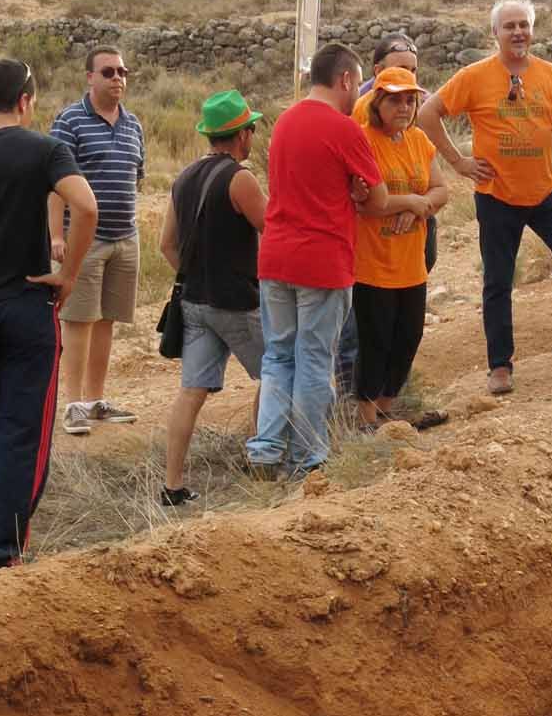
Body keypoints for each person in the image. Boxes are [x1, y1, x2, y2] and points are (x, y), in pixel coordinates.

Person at [417, 0, 552, 396]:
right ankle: (500, 366)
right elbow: (428, 113)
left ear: (533, 31)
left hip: (545, 193)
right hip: (496, 194)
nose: (517, 32)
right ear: (494, 33)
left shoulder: (551, 75)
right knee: (498, 280)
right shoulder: (474, 75)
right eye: (509, 26)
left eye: (524, 25)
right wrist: (459, 162)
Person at [245, 43, 429, 480]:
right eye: (357, 82)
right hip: (322, 260)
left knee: (278, 357)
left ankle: (266, 448)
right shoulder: (345, 128)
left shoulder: (285, 121)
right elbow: (379, 198)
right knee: (313, 357)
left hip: (275, 257)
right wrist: (397, 199)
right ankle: (309, 454)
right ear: (346, 79)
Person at [0, 57, 97, 571]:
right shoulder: (46, 150)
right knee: (20, 429)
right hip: (24, 308)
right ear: (25, 100)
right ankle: (2, 550)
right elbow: (86, 207)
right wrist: (69, 275)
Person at [158, 89, 267, 507]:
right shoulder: (241, 178)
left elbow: (167, 245)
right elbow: (271, 229)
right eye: (251, 129)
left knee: (191, 391)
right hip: (237, 302)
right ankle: (263, 458)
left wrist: (197, 275)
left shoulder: (183, 177)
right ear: (241, 135)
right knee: (275, 373)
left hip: (195, 302)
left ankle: (173, 485)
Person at [48, 46, 145, 435]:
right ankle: (73, 406)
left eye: (122, 71)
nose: (117, 78)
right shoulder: (69, 121)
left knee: (106, 319)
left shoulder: (134, 123)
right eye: (108, 72)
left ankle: (95, 400)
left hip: (126, 237)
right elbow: (54, 186)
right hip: (83, 240)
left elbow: (136, 178)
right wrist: (57, 235)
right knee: (77, 320)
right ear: (90, 77)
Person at [352, 67, 449, 433]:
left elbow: (441, 190)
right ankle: (366, 421)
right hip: (372, 264)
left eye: (410, 100)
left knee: (408, 339)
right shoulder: (361, 140)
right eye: (395, 99)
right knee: (374, 343)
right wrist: (412, 201)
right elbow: (367, 204)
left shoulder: (419, 141)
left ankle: (386, 413)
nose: (404, 107)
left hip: (411, 264)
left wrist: (415, 206)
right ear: (377, 103)